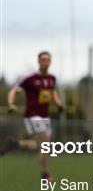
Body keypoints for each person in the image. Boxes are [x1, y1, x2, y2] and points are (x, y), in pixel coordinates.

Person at [7, 51, 63, 181]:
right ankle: (45, 174)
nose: (45, 62)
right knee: (45, 142)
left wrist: (59, 103)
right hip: (33, 116)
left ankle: (17, 144)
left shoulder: (51, 79)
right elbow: (14, 90)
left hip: (45, 117)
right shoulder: (31, 79)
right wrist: (11, 104)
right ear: (38, 61)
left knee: (43, 146)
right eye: (43, 59)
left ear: (50, 62)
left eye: (47, 59)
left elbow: (52, 92)